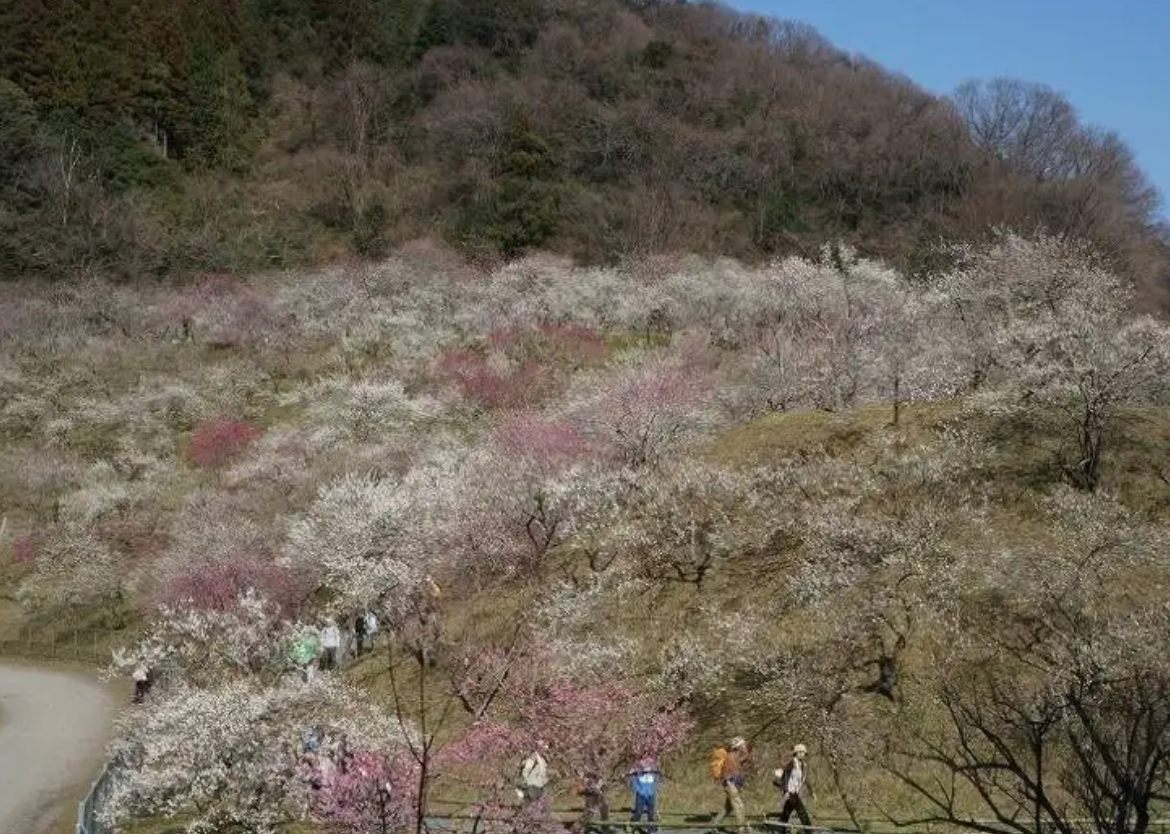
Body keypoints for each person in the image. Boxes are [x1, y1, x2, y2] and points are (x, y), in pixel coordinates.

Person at [713, 737, 752, 834]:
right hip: (730, 784)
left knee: (728, 807)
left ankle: (714, 825)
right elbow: (734, 771)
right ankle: (741, 829)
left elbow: (744, 760)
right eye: (742, 745)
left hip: (732, 784)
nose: (744, 746)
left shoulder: (736, 755)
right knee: (739, 805)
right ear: (738, 747)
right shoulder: (731, 756)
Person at [774, 743, 814, 829]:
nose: (802, 754)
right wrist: (786, 791)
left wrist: (812, 792)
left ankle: (780, 828)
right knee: (802, 811)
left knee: (786, 812)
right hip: (790, 791)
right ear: (797, 753)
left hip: (795, 792)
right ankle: (809, 830)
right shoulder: (792, 763)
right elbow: (785, 776)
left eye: (803, 753)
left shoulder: (804, 765)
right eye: (801, 752)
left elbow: (806, 780)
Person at [627, 756, 662, 834]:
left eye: (648, 761)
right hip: (641, 794)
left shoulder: (654, 771)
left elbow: (658, 780)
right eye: (644, 761)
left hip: (651, 794)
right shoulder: (637, 771)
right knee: (638, 812)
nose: (646, 763)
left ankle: (651, 829)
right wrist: (638, 790)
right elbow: (633, 781)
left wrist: (654, 789)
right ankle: (633, 826)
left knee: (651, 812)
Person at [580, 747, 610, 832]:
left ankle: (605, 827)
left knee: (604, 807)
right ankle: (583, 828)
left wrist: (601, 783)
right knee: (590, 809)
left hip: (600, 789)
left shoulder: (602, 762)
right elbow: (587, 775)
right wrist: (594, 783)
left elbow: (603, 775)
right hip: (592, 789)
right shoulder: (589, 763)